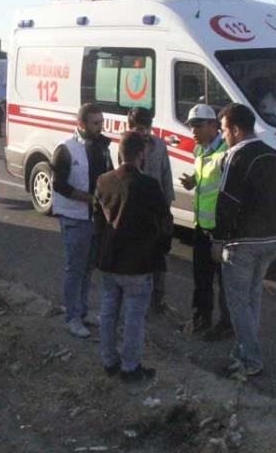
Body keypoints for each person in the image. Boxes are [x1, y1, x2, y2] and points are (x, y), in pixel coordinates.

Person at [212, 103, 276, 380]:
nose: (222, 137)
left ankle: (251, 358)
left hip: (242, 242)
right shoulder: (274, 155)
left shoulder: (237, 157)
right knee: (252, 299)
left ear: (235, 129)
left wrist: (219, 238)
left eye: (223, 130)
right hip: (271, 240)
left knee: (237, 303)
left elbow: (227, 201)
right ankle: (243, 351)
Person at [95, 130, 172, 382]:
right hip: (138, 263)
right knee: (134, 317)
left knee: (108, 311)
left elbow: (97, 220)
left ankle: (108, 360)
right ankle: (130, 367)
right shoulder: (149, 185)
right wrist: (162, 249)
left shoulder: (103, 180)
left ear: (120, 152)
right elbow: (163, 222)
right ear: (141, 154)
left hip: (110, 260)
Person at [51, 103, 113, 338]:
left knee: (89, 268)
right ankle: (72, 317)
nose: (100, 127)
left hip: (96, 219)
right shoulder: (65, 149)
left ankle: (83, 310)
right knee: (75, 269)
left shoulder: (103, 147)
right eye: (95, 123)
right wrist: (90, 199)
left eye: (101, 122)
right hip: (75, 217)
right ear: (81, 124)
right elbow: (59, 185)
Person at [178, 104, 232, 341]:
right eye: (191, 127)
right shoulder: (200, 151)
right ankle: (202, 316)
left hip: (220, 230)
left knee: (225, 281)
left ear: (213, 126)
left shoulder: (226, 152)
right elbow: (206, 180)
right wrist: (194, 180)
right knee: (201, 277)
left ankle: (226, 324)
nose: (193, 132)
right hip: (201, 225)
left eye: (198, 126)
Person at [122, 107, 174, 312]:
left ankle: (158, 299)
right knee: (140, 256)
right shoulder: (127, 145)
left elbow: (166, 174)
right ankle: (139, 299)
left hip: (159, 209)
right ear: (130, 127)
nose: (144, 133)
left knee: (160, 257)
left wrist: (168, 207)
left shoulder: (159, 145)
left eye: (147, 128)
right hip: (137, 211)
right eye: (139, 128)